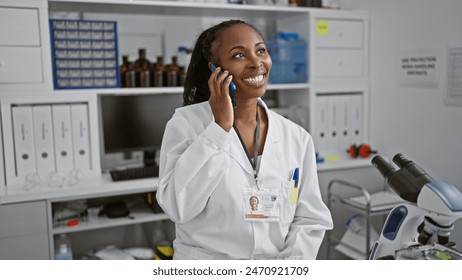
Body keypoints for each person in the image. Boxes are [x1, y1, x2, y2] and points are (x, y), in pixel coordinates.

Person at [157, 19, 333, 260]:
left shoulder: (296, 136)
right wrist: (219, 129)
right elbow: (178, 207)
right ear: (215, 70)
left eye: (261, 50)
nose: (256, 63)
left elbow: (309, 218)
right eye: (239, 55)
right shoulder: (187, 124)